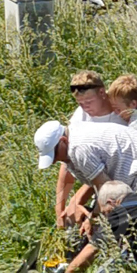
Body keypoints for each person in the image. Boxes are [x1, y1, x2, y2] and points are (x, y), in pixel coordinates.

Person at [34, 119, 137, 273]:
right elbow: (103, 190)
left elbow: (105, 192)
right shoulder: (73, 142)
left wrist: (100, 227)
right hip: (136, 179)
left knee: (131, 234)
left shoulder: (79, 149)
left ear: (63, 140)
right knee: (121, 230)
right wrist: (92, 217)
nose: (54, 160)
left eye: (54, 154)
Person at [55, 71, 127, 228]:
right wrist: (59, 208)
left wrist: (79, 198)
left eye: (88, 101)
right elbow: (67, 163)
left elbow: (102, 169)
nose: (85, 107)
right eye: (80, 103)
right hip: (95, 176)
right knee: (69, 217)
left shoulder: (119, 115)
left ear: (102, 92)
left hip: (118, 176)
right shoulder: (81, 115)